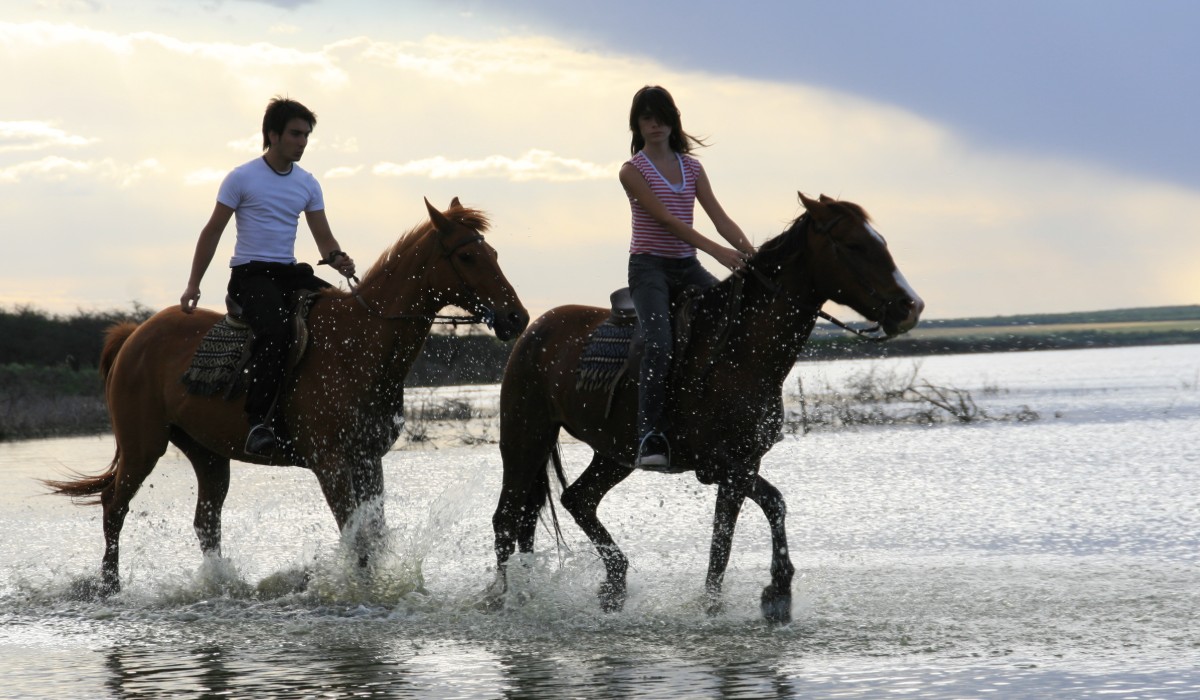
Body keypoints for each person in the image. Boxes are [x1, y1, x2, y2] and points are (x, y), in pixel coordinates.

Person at [180, 97, 356, 456]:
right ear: (273, 135)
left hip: (288, 272)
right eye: (295, 134)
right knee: (276, 329)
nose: (302, 141)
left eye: (306, 135)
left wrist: (337, 258)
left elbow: (324, 239)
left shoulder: (308, 184)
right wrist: (193, 283)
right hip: (250, 274)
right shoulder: (242, 178)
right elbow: (212, 231)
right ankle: (259, 421)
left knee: (345, 312)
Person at [620, 85, 755, 470]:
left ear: (673, 120)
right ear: (638, 124)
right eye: (647, 117)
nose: (656, 124)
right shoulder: (632, 171)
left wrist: (750, 254)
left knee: (735, 321)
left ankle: (733, 416)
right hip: (649, 268)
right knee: (660, 343)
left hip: (687, 264)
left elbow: (719, 216)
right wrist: (719, 253)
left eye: (662, 116)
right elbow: (665, 219)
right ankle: (650, 434)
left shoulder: (692, 167)